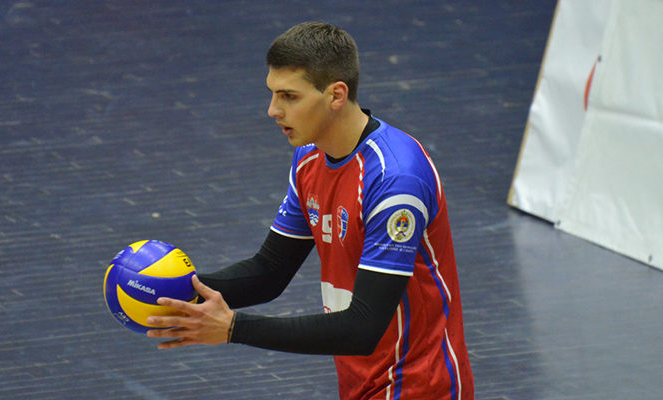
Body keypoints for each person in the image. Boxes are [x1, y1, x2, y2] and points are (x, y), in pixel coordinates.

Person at [146, 21, 474, 399]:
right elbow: (270, 271)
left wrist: (234, 328)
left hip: (419, 385)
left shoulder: (395, 179)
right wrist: (169, 291)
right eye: (273, 94)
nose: (273, 110)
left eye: (289, 96)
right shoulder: (309, 158)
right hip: (363, 380)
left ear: (336, 95)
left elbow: (362, 328)